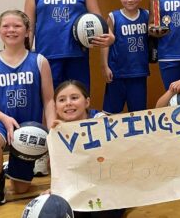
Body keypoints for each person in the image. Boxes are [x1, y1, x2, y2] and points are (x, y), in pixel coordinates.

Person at [0, 10, 55, 206]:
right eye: (6, 26)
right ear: (0, 31)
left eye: (17, 26)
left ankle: (8, 165)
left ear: (27, 31)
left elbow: (49, 100)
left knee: (21, 189)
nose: (11, 30)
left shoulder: (39, 61)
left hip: (28, 128)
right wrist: (3, 118)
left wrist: (53, 129)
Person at [24, 0, 114, 92]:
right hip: (46, 57)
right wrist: (26, 57)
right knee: (50, 103)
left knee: (78, 101)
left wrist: (110, 37)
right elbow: (29, 28)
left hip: (77, 57)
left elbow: (100, 23)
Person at [51, 80, 125, 218]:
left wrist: (73, 134)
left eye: (74, 98)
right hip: (81, 189)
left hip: (111, 188)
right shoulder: (56, 132)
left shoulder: (101, 120)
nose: (68, 103)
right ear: (55, 107)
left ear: (87, 102)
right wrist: (55, 190)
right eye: (62, 100)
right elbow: (63, 171)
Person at [101, 0, 149, 114]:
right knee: (111, 114)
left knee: (138, 114)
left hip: (138, 72)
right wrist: (105, 66)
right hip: (117, 73)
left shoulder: (146, 15)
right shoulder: (113, 16)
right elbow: (105, 44)